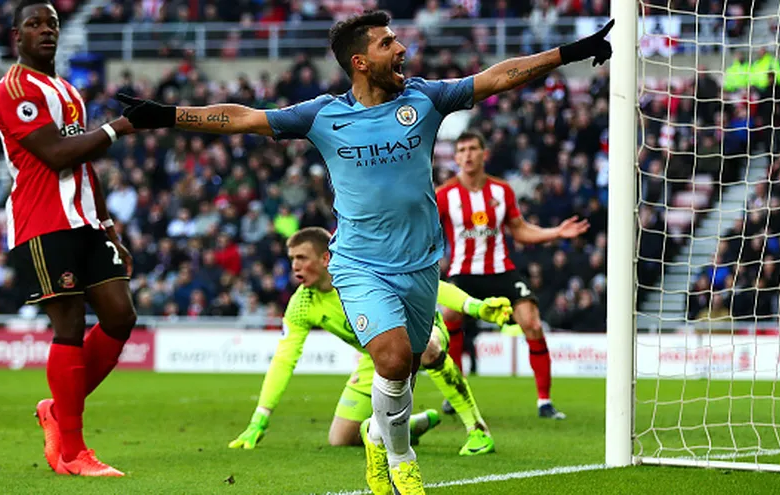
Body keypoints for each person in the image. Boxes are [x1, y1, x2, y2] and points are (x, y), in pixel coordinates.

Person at [117, 11, 613, 494]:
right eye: (387, 43)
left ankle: (377, 436)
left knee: (407, 370)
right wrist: (167, 115)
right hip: (358, 264)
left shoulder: (424, 99)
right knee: (392, 360)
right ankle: (403, 463)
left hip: (420, 264)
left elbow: (498, 77)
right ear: (359, 61)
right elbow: (242, 118)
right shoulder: (323, 115)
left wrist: (569, 52)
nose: (401, 49)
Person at [0, 0, 138, 477]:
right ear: (17, 36)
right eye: (34, 24)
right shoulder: (15, 89)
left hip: (86, 221)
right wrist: (118, 127)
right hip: (43, 221)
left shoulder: (67, 90)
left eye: (52, 23)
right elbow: (56, 154)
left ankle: (57, 410)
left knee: (120, 315)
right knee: (70, 324)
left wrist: (109, 225)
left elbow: (82, 161)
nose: (45, 30)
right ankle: (73, 453)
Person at [228, 227, 510, 456]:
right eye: (292, 259)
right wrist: (259, 419)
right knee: (341, 438)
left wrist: (475, 307)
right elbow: (284, 360)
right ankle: (405, 427)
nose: (295, 266)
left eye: (302, 258)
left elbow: (430, 286)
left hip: (420, 331)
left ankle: (478, 431)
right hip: (376, 356)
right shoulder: (302, 305)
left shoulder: (361, 274)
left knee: (427, 347)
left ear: (325, 258)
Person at [437, 131, 590, 421]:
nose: (467, 155)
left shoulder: (501, 190)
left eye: (473, 149)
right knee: (450, 315)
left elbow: (519, 230)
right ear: (455, 157)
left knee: (532, 323)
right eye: (462, 150)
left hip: (501, 270)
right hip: (463, 272)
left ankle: (544, 402)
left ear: (484, 154)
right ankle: (455, 391)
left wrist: (556, 232)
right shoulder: (444, 195)